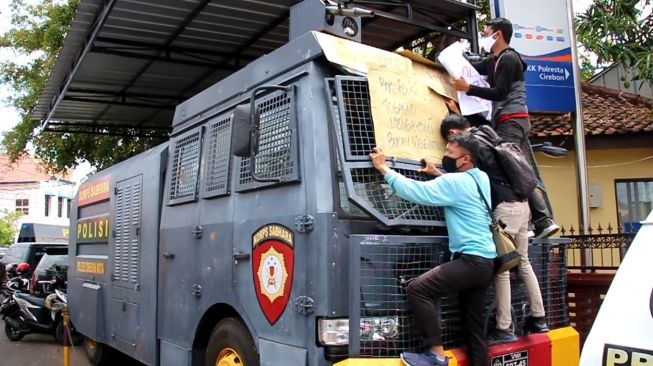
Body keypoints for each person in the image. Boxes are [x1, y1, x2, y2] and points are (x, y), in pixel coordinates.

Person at [369, 132, 495, 366]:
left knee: (418, 289)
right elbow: (460, 189)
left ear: (465, 159)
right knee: (473, 328)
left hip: (470, 261)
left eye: (449, 153)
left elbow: (416, 191)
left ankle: (435, 355)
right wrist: (438, 174)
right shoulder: (481, 178)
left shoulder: (454, 183)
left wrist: (384, 168)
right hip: (487, 263)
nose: (445, 156)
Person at [435, 114, 549, 345]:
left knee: (502, 269)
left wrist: (438, 174)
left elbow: (469, 183)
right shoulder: (490, 135)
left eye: (450, 143)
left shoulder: (474, 145)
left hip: (505, 210)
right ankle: (539, 318)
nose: (450, 147)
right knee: (523, 262)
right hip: (522, 206)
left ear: (454, 133)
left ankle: (504, 327)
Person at [451, 17, 559, 238]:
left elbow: (499, 92)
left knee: (510, 167)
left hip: (512, 119)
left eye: (486, 31)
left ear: (497, 34)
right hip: (511, 120)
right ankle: (541, 220)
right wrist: (449, 59)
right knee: (521, 168)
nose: (483, 35)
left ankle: (532, 222)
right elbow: (471, 67)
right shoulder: (495, 60)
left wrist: (468, 88)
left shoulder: (509, 59)